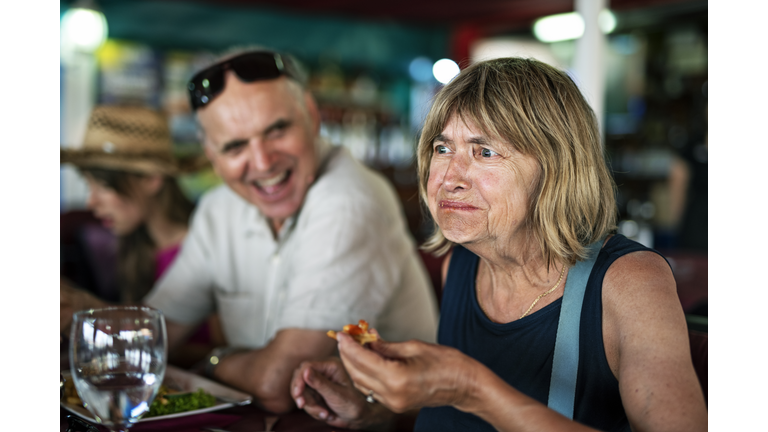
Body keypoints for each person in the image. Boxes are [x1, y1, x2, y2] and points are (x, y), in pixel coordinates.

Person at [290, 57, 707, 431]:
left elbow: (472, 399)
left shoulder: (629, 282)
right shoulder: (465, 263)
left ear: (556, 167)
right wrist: (373, 410)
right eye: (442, 147)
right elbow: (459, 419)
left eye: (485, 152)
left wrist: (468, 386)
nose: (450, 176)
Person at [138, 48, 438, 413]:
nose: (263, 163)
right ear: (211, 154)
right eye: (235, 146)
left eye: (276, 130)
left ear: (312, 117)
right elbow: (148, 338)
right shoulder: (219, 209)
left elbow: (275, 385)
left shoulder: (349, 199)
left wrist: (210, 362)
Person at [59, 105, 225, 361]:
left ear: (151, 179)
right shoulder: (134, 246)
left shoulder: (207, 248)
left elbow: (221, 350)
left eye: (103, 186)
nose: (91, 202)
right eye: (88, 185)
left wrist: (82, 311)